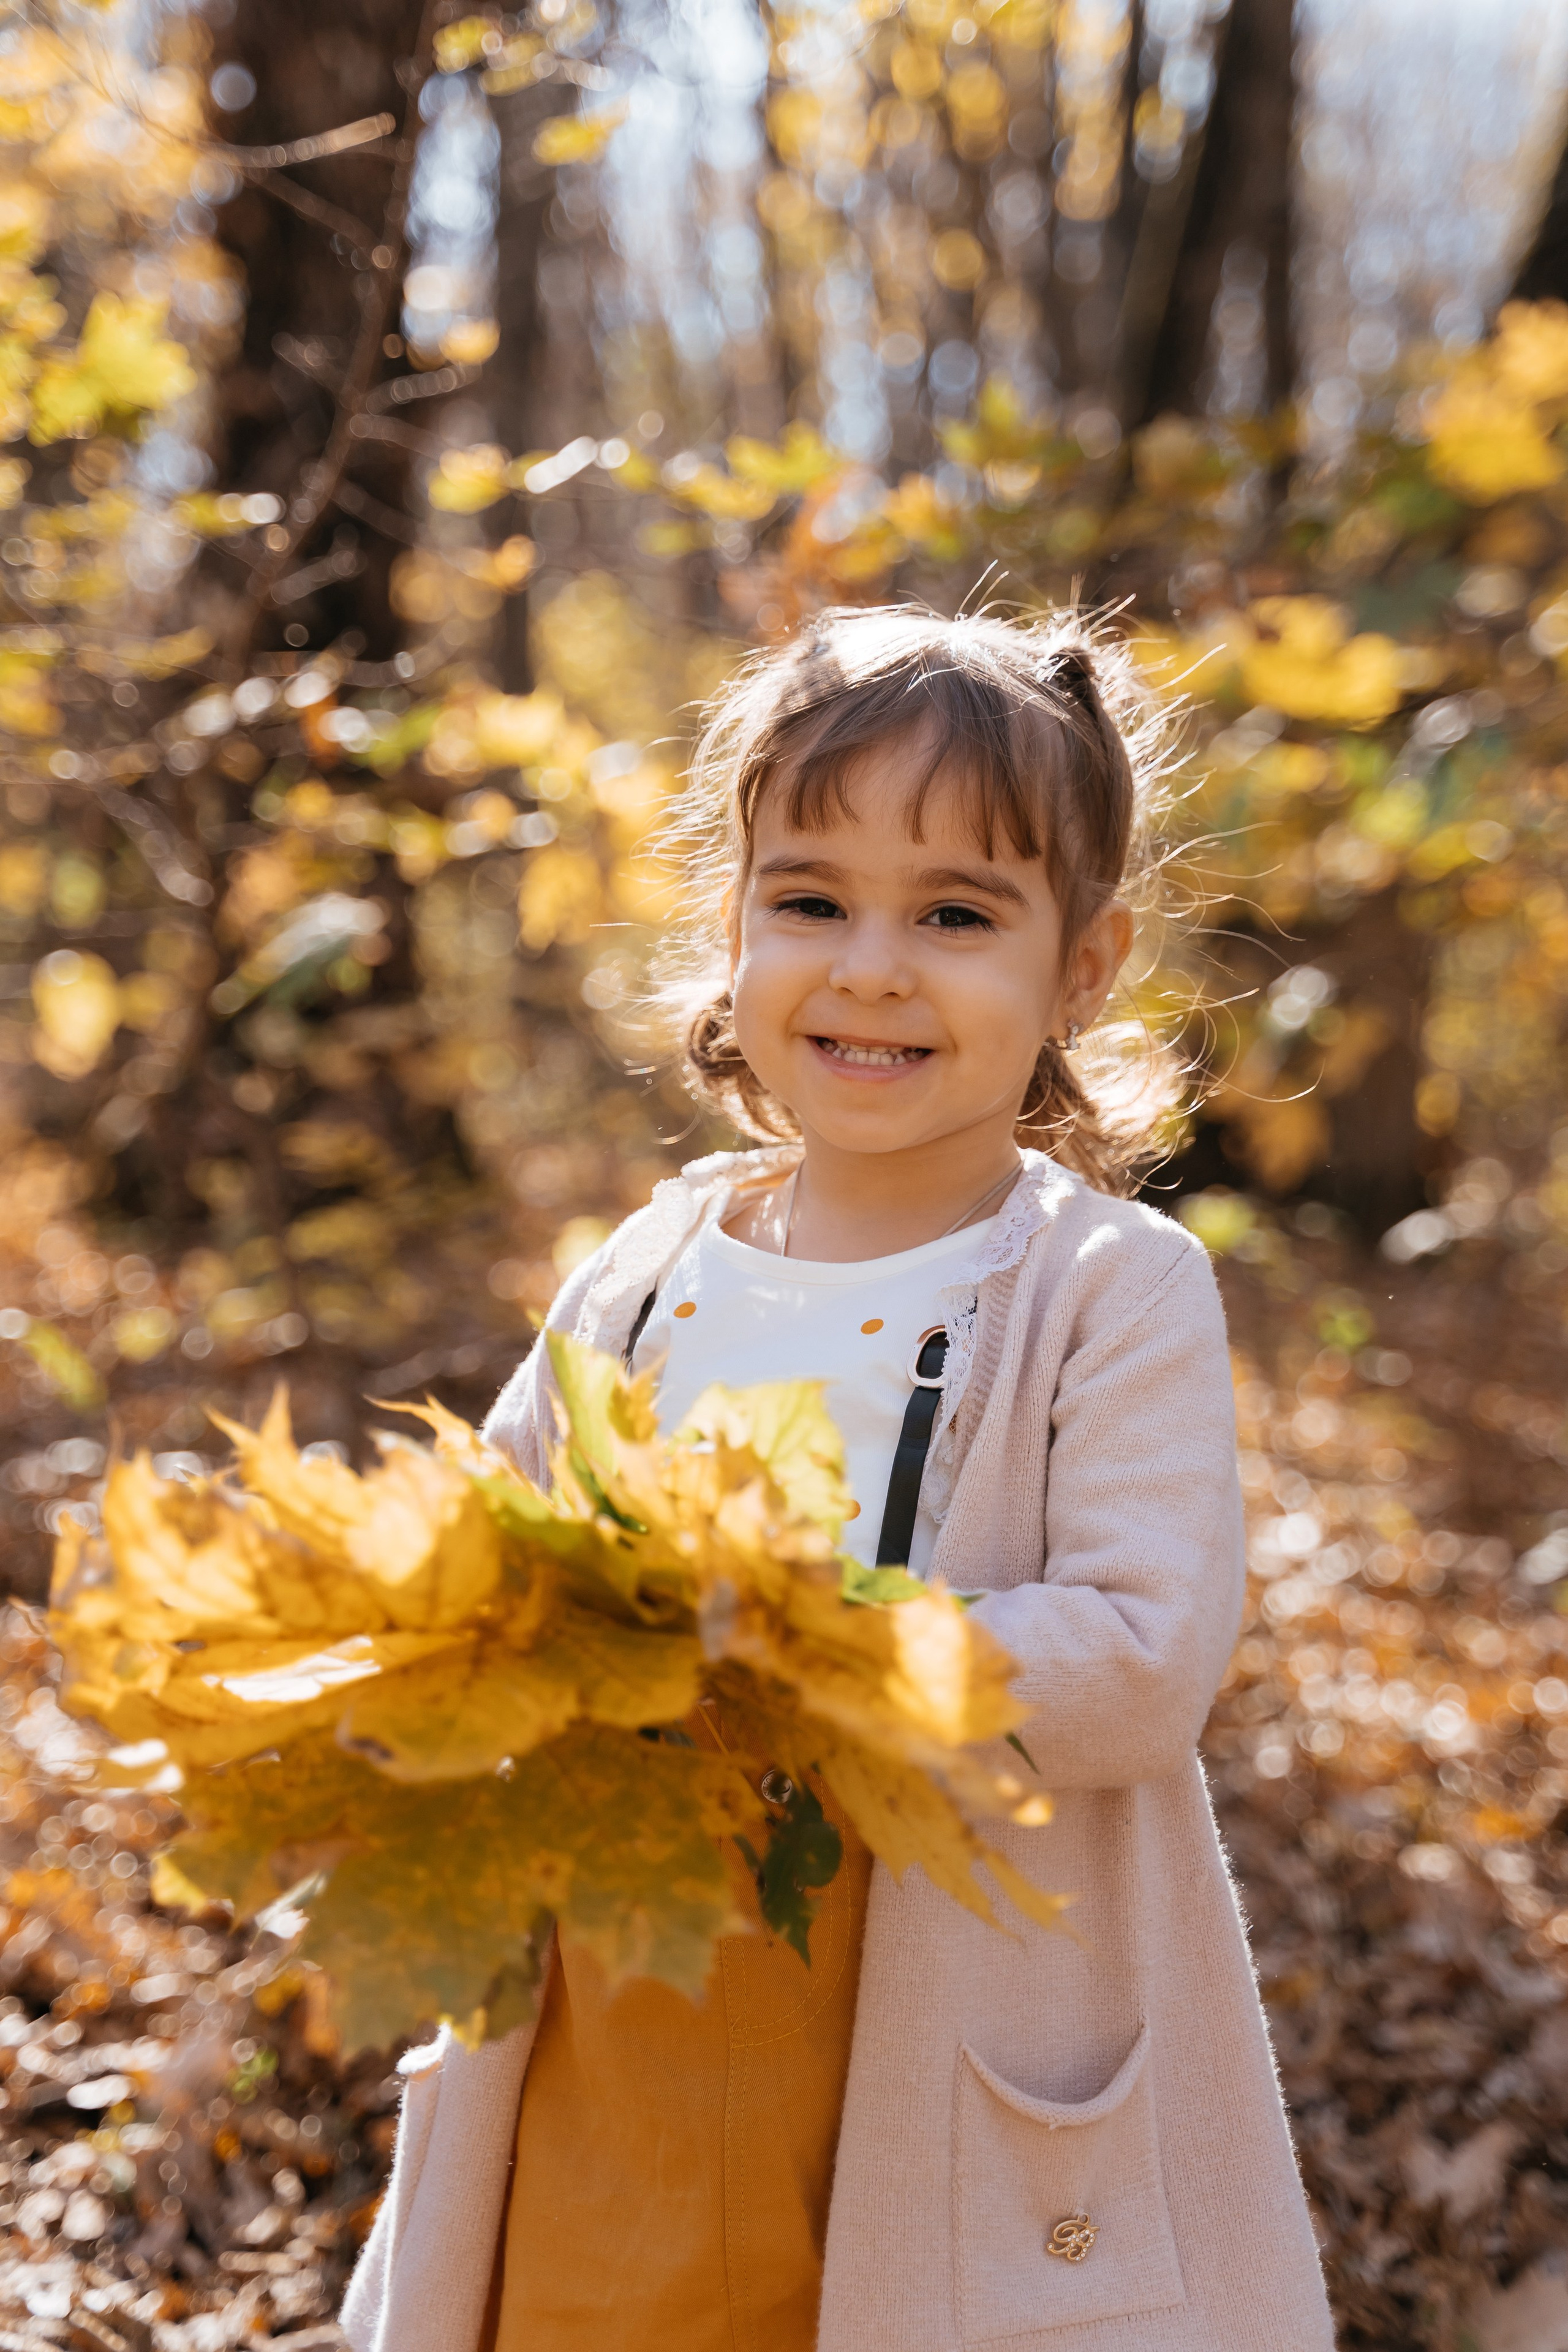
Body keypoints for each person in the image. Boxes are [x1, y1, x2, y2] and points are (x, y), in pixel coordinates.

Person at [341, 606, 1335, 2352]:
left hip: (925, 2004)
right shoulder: (649, 1269)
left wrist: (816, 1634)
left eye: (955, 914)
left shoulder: (1101, 1288)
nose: (872, 966)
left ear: (1080, 971)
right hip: (617, 1984)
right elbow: (479, 1554)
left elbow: (1142, 1661)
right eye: (810, 901)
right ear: (732, 930)